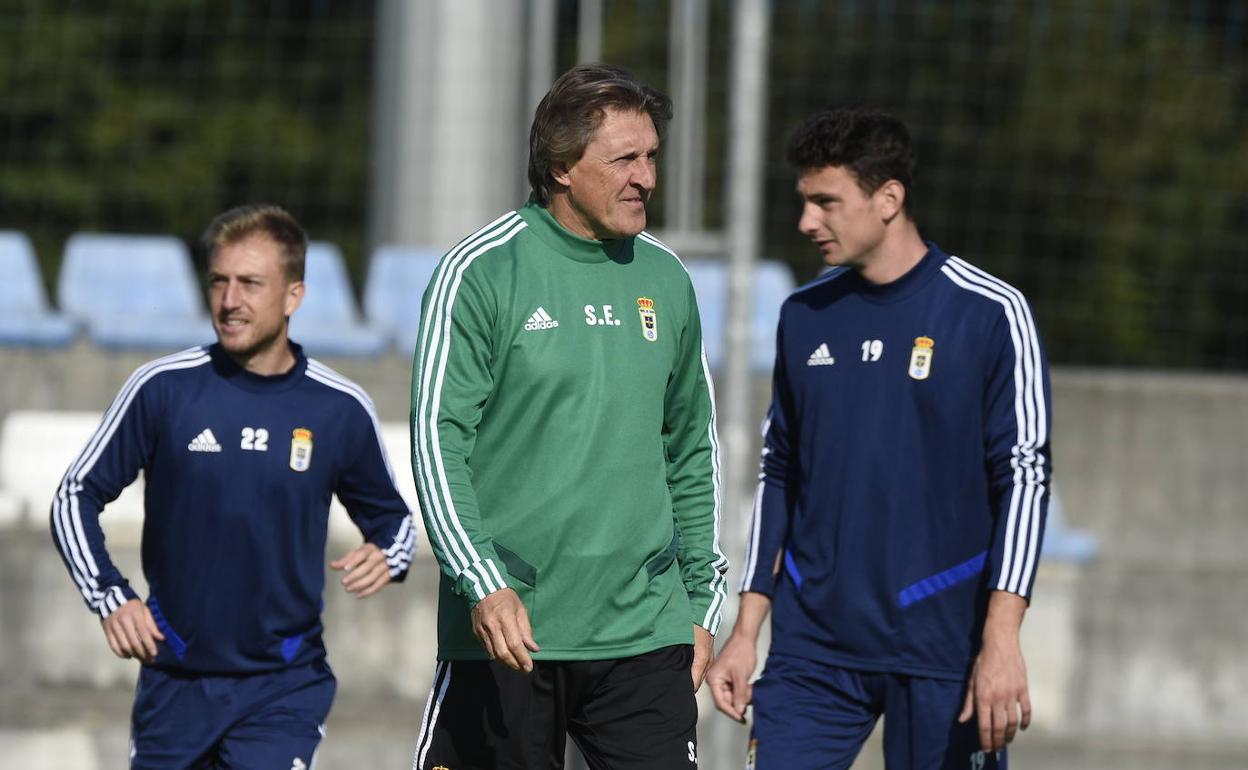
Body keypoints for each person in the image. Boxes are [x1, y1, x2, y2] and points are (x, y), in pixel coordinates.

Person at [706, 107, 1052, 770]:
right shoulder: (804, 316)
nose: (808, 222)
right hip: (815, 648)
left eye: (826, 202)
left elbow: (1025, 477)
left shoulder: (989, 313)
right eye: (804, 202)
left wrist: (1001, 637)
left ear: (888, 198)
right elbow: (781, 472)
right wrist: (746, 630)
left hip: (943, 648)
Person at [409, 62, 727, 770]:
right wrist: (482, 581)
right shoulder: (481, 272)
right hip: (509, 631)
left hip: (644, 635)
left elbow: (692, 451)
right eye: (624, 160)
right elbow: (437, 442)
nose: (646, 177)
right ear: (560, 168)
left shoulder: (666, 279)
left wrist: (701, 603)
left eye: (651, 157)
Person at [49, 204, 417, 769]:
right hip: (175, 682)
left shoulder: (338, 408)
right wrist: (110, 596)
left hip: (284, 685)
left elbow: (393, 523)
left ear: (293, 296)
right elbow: (75, 495)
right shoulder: (162, 390)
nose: (229, 301)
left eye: (250, 284)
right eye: (219, 282)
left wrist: (386, 556)